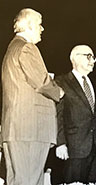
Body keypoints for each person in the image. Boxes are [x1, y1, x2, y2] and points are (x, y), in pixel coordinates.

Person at [1, 8, 64, 185]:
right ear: (28, 25)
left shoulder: (12, 49)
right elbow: (42, 82)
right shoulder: (27, 48)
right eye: (39, 24)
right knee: (30, 181)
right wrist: (59, 91)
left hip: (16, 130)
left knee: (18, 181)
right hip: (30, 129)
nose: (42, 29)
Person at [54, 45, 96, 184]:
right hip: (74, 150)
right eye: (88, 56)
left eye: (93, 57)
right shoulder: (61, 82)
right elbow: (58, 116)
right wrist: (60, 143)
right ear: (75, 58)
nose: (92, 60)